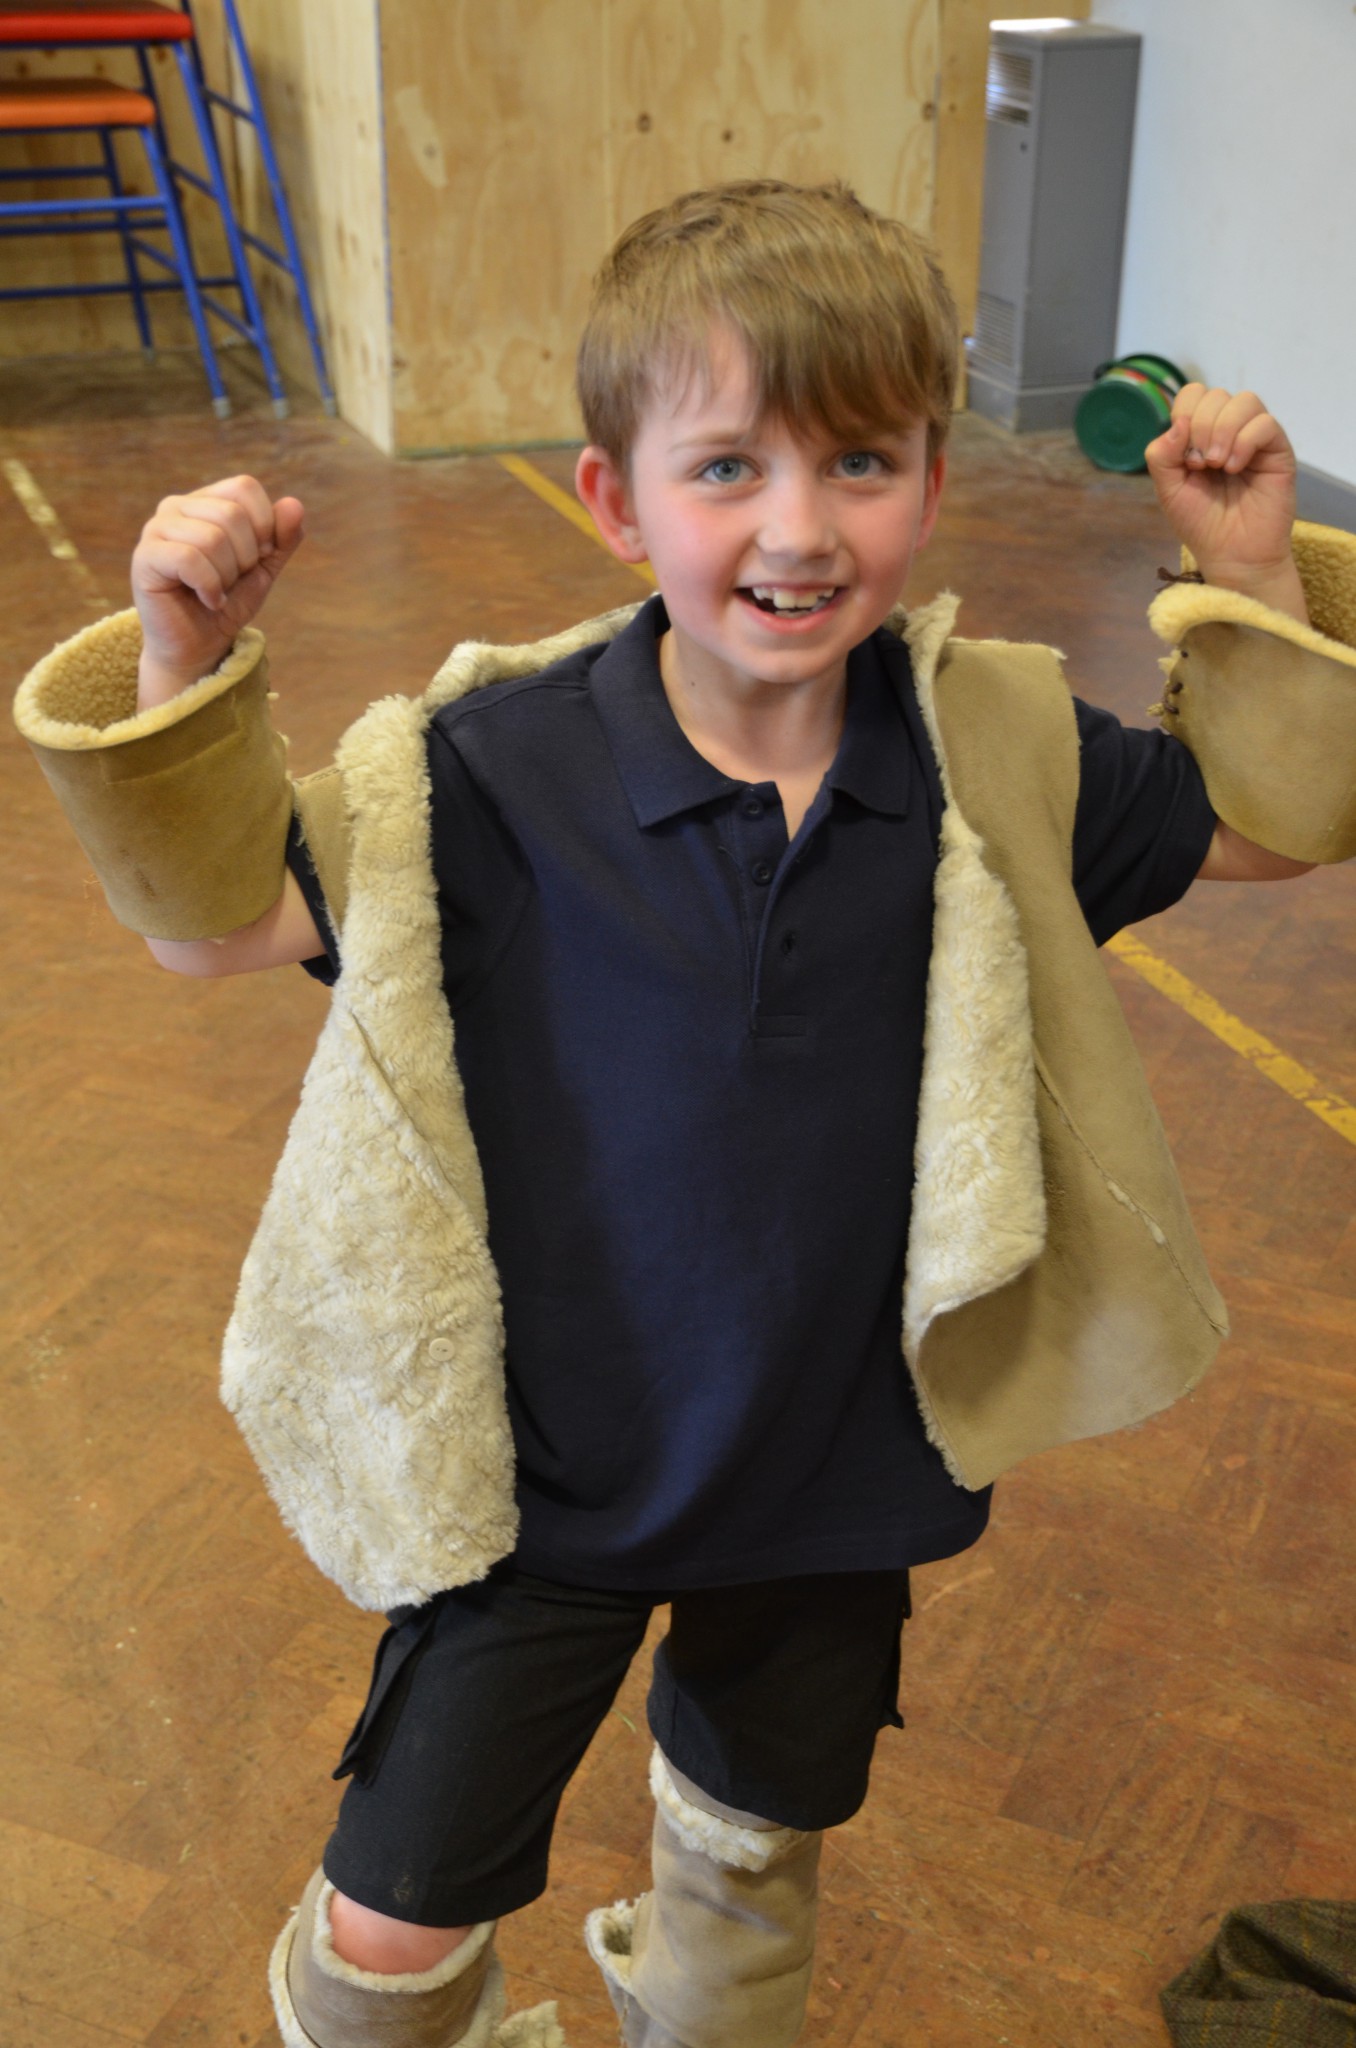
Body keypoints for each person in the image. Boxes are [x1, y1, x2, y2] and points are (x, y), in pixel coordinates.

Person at [14, 181, 1355, 2048]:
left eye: (861, 462)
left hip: (835, 1472)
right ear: (614, 502)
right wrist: (180, 657)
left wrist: (1255, 574)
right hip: (542, 1486)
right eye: (725, 468)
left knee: (748, 1864)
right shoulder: (484, 769)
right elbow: (220, 921)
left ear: (933, 484)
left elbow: (1275, 824)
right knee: (390, 1937)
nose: (798, 529)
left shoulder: (998, 748)